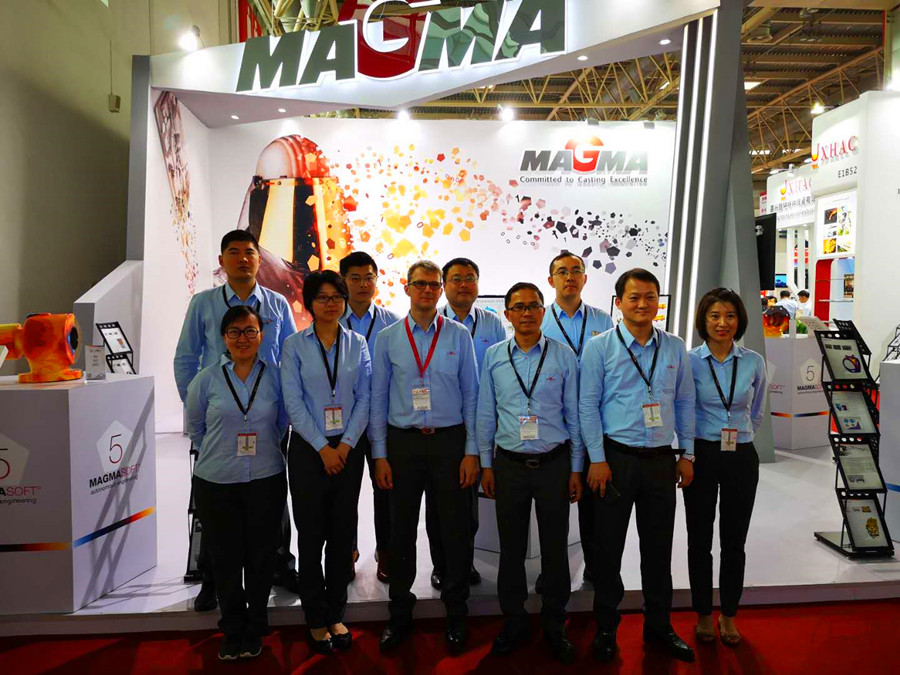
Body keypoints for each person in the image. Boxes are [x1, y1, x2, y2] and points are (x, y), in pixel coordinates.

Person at [174, 230, 298, 612]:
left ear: (259, 259)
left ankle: (279, 565)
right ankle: (211, 577)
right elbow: (186, 359)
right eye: (234, 252)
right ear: (222, 260)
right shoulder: (203, 303)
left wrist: (281, 419)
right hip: (220, 418)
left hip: (266, 416)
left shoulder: (277, 304)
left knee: (271, 499)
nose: (243, 258)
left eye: (249, 252)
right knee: (214, 505)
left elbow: (290, 357)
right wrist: (201, 411)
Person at [579, 268, 696, 663]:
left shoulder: (675, 346)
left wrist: (687, 454)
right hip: (615, 460)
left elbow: (685, 401)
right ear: (619, 303)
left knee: (658, 550)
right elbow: (587, 406)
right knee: (607, 550)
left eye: (650, 297)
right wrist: (596, 459)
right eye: (634, 297)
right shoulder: (599, 348)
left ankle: (659, 626)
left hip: (662, 461)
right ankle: (606, 628)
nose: (643, 304)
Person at [370, 260, 480, 653]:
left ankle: (456, 612)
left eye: (434, 285)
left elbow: (472, 395)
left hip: (450, 443)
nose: (428, 291)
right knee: (400, 531)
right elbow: (378, 399)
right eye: (420, 284)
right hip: (403, 444)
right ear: (407, 288)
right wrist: (380, 455)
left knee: (454, 529)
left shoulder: (458, 335)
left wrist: (472, 451)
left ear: (441, 289)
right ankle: (400, 613)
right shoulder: (387, 338)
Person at [477, 282, 583, 664]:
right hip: (509, 466)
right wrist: (486, 465)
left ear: (543, 311)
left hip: (554, 464)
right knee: (511, 549)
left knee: (555, 549)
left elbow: (574, 416)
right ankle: (515, 621)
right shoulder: (493, 356)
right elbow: (485, 413)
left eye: (533, 306)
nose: (526, 313)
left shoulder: (563, 355)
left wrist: (576, 469)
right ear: (507, 314)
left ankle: (555, 623)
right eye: (518, 307)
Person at [186, 305, 288, 660]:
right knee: (225, 558)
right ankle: (231, 628)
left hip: (265, 477)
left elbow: (282, 424)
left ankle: (255, 626)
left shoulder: (276, 377)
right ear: (224, 337)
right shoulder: (206, 380)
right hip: (217, 480)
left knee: (261, 556)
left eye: (250, 331)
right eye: (235, 332)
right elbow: (195, 428)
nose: (242, 338)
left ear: (262, 335)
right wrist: (223, 451)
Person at [281, 270, 371, 654]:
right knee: (311, 535)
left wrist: (345, 446)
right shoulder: (294, 345)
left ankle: (336, 612)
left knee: (341, 533)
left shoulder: (357, 343)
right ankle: (314, 617)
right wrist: (323, 447)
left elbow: (365, 398)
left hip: (348, 450)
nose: (331, 303)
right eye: (322, 297)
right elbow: (293, 402)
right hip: (308, 450)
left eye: (337, 296)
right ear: (309, 303)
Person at [686, 288, 766, 647]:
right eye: (715, 316)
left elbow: (757, 410)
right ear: (703, 320)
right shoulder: (689, 361)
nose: (722, 323)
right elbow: (683, 408)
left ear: (740, 320)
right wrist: (686, 454)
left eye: (730, 316)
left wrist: (742, 433)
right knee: (699, 539)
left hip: (741, 456)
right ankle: (703, 613)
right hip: (702, 454)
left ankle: (729, 614)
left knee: (735, 541)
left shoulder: (753, 361)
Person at [427, 257, 505, 591]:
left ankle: (465, 561)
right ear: (444, 284)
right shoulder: (431, 322)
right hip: (444, 424)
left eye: (470, 278)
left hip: (480, 421)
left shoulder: (492, 323)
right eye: (456, 278)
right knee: (437, 502)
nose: (464, 284)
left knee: (468, 503)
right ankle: (440, 565)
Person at [541, 250, 613, 589]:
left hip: (596, 421)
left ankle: (594, 567)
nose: (569, 277)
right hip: (556, 423)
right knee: (553, 507)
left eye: (576, 271)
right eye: (562, 271)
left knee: (595, 503)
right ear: (551, 279)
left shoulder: (603, 321)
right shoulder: (539, 320)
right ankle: (552, 571)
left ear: (585, 278)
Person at [340, 251, 400, 584]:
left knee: (386, 489)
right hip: (345, 422)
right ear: (343, 280)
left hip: (385, 421)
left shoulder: (393, 322)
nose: (363, 284)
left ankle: (386, 551)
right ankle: (347, 551)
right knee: (345, 492)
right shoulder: (332, 320)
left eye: (369, 277)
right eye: (355, 278)